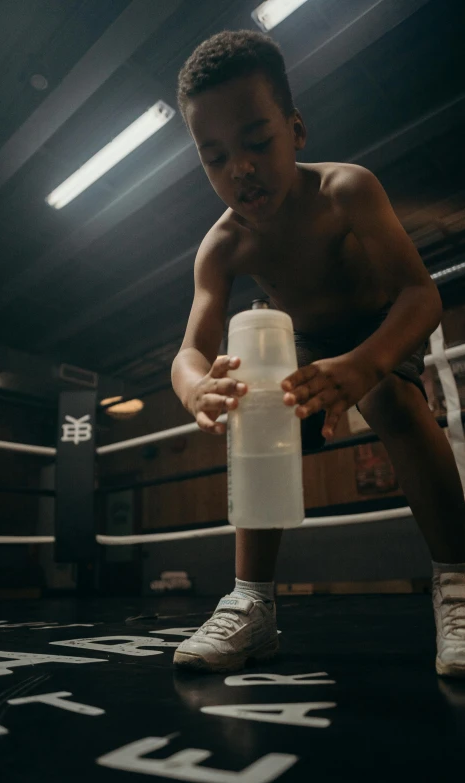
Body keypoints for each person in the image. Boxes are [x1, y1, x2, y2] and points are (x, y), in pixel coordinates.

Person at [170, 30, 465, 676]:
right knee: (256, 407)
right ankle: (252, 601)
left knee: (392, 399)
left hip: (382, 325)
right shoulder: (221, 246)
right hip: (304, 344)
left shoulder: (346, 189)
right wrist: (197, 387)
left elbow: (419, 296)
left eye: (256, 141)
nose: (239, 168)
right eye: (215, 156)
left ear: (295, 129)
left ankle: (458, 582)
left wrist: (364, 364)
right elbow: (189, 350)